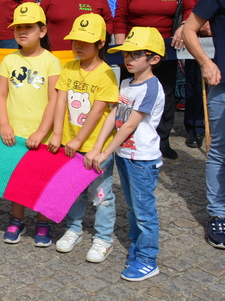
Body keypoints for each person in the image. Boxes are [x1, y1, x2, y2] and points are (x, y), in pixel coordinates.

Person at [86, 27, 165, 282]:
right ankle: (137, 246)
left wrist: (105, 151)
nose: (129, 59)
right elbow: (113, 116)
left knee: (144, 210)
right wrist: (98, 147)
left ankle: (147, 259)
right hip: (125, 156)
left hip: (142, 159)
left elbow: (130, 124)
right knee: (133, 208)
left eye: (136, 54)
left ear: (153, 59)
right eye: (126, 54)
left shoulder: (151, 87)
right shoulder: (127, 83)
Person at [52, 14, 119, 263]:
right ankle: (74, 229)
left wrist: (80, 140)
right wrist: (58, 134)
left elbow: (99, 110)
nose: (77, 46)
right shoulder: (68, 67)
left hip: (93, 147)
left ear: (101, 43)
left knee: (101, 195)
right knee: (73, 190)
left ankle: (103, 238)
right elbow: (60, 101)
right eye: (74, 40)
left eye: (85, 41)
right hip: (69, 145)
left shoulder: (106, 74)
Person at [0, 3, 61, 246]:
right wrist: (4, 124)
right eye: (18, 27)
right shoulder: (8, 59)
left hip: (42, 133)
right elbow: (0, 95)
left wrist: (43, 131)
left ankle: (43, 222)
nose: (22, 32)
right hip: (15, 132)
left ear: (42, 31)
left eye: (28, 27)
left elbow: (55, 98)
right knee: (18, 180)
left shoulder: (51, 61)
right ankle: (17, 219)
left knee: (42, 180)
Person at [114, 0, 180, 159]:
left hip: (165, 48)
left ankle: (162, 140)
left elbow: (190, 7)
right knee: (131, 95)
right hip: (135, 49)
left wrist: (183, 29)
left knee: (166, 93)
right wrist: (122, 48)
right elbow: (120, 15)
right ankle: (124, 137)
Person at [174, 0, 225, 150]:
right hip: (200, 21)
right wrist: (199, 19)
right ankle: (195, 127)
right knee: (197, 76)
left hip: (222, 24)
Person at [183, 0, 225, 250]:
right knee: (220, 151)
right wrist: (206, 62)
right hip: (223, 85)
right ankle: (218, 214)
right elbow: (189, 30)